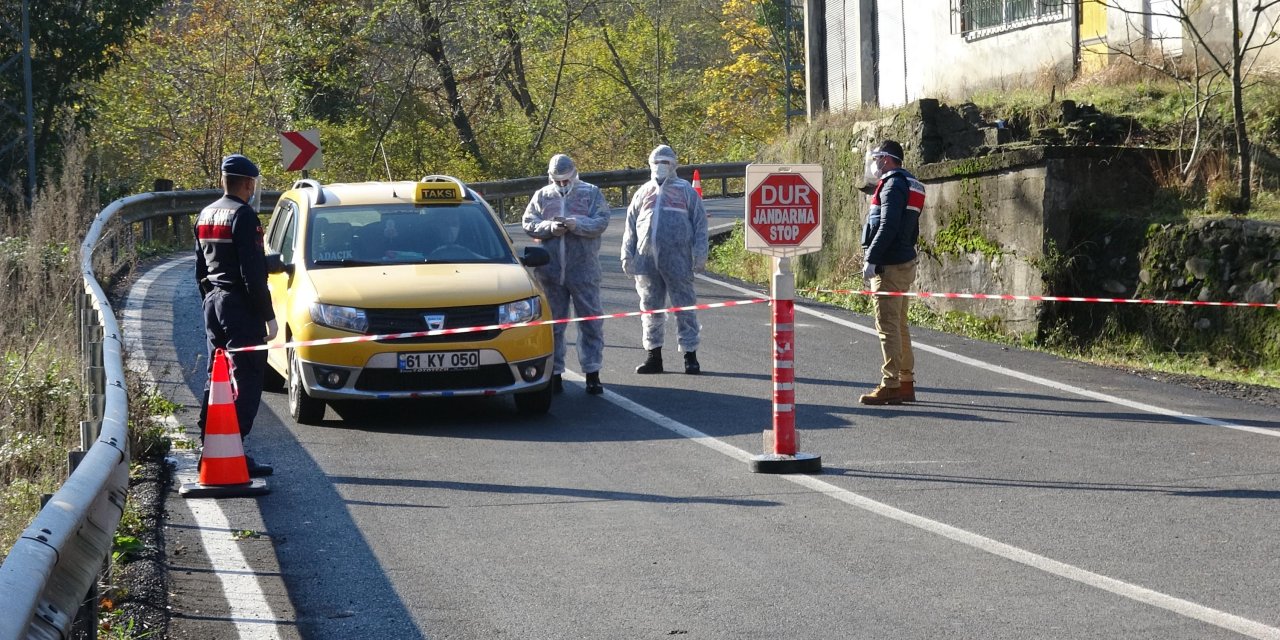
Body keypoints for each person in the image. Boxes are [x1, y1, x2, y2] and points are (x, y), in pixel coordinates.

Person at [195, 154, 278, 476]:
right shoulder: (243, 216)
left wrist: (210, 301)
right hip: (239, 307)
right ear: (247, 184)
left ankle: (209, 442)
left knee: (216, 375)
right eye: (252, 183)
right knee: (248, 376)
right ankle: (233, 446)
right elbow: (252, 274)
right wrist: (267, 314)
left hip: (213, 302)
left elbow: (200, 269)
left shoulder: (206, 214)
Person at [522, 153, 611, 395]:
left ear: (574, 174)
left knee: (590, 321)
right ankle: (555, 373)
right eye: (557, 180)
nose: (562, 184)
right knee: (553, 325)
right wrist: (549, 227)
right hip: (550, 272)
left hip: (583, 269)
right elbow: (528, 222)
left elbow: (602, 221)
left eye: (565, 180)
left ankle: (592, 373)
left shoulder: (590, 193)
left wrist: (577, 225)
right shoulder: (543, 195)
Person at [620, 144, 708, 375]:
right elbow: (630, 226)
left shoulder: (685, 191)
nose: (661, 166)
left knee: (684, 307)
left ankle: (690, 356)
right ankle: (654, 356)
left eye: (665, 162)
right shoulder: (643, 193)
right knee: (650, 308)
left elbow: (700, 224)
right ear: (650, 165)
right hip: (647, 261)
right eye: (657, 162)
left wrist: (700, 253)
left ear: (674, 165)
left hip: (678, 260)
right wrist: (627, 254)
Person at [858, 140, 926, 405]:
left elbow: (887, 225)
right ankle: (906, 381)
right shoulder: (912, 183)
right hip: (904, 260)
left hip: (889, 265)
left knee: (887, 326)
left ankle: (890, 384)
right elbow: (911, 227)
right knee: (899, 325)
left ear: (886, 159)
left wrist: (872, 258)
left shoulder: (892, 185)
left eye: (876, 158)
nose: (874, 164)